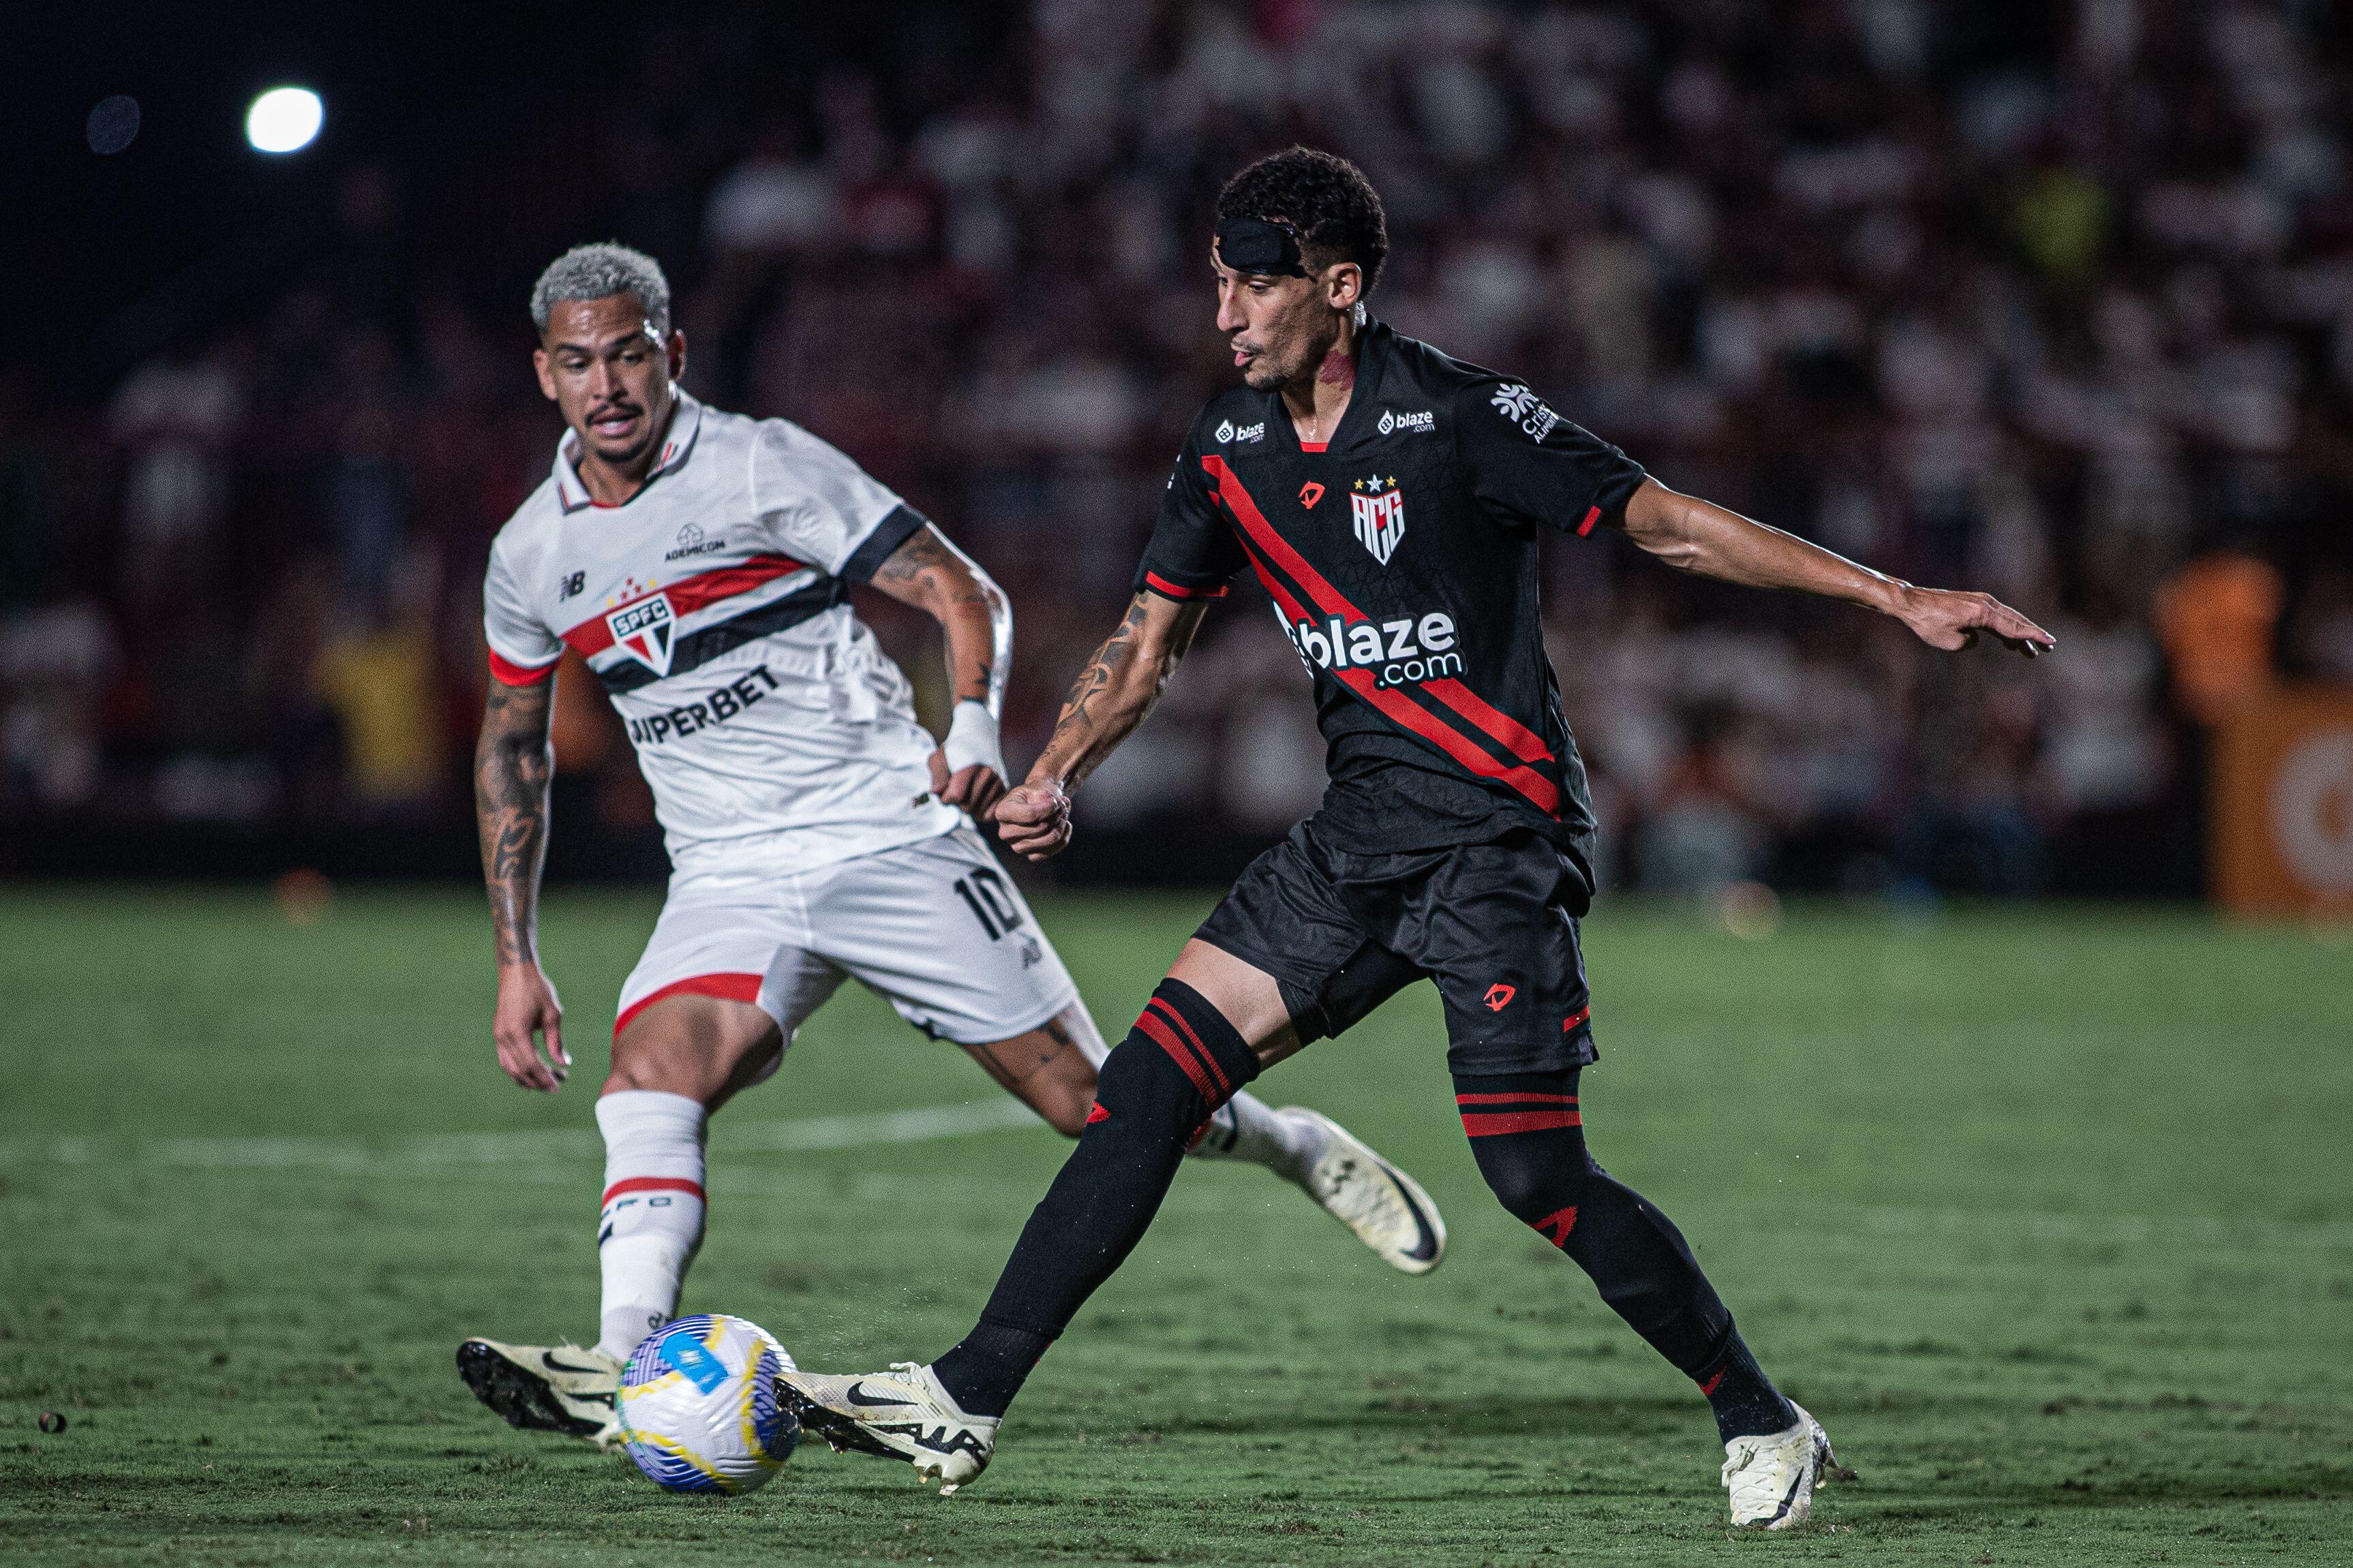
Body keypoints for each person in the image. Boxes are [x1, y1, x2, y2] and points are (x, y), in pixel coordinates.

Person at [775, 151, 2055, 1530]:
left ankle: (1761, 1415)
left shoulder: (1457, 416)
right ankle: (962, 1391)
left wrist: (1890, 590)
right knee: (1140, 1089)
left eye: (1254, 281)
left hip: (1496, 842)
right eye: (1216, 280)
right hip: (1355, 844)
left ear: (1338, 286)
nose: (1225, 311)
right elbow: (1148, 643)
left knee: (1532, 1174)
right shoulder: (1229, 450)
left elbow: (1668, 526)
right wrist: (1056, 769)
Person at [455, 242, 1448, 1449]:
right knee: (650, 1078)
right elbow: (514, 746)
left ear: (672, 352)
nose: (605, 383)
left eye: (625, 354)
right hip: (729, 870)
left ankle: (1294, 1144)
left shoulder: (760, 463)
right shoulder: (528, 556)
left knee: (1095, 1104)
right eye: (577, 362)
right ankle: (620, 1365)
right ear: (544, 374)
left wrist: (972, 724)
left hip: (890, 835)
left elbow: (959, 588)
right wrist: (518, 953)